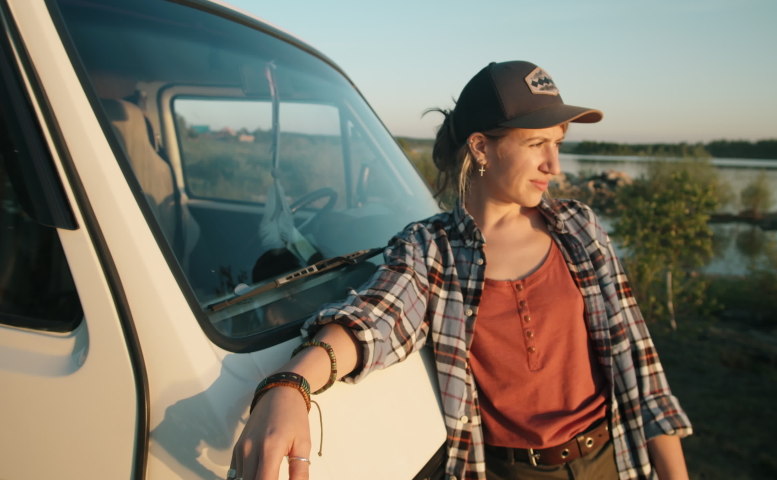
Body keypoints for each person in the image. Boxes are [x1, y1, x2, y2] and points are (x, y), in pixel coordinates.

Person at [229, 61, 692, 480]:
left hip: (609, 462)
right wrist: (291, 384)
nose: (554, 164)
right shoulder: (431, 249)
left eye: (557, 143)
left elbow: (640, 368)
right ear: (481, 147)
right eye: (537, 144)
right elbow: (374, 320)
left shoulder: (579, 228)